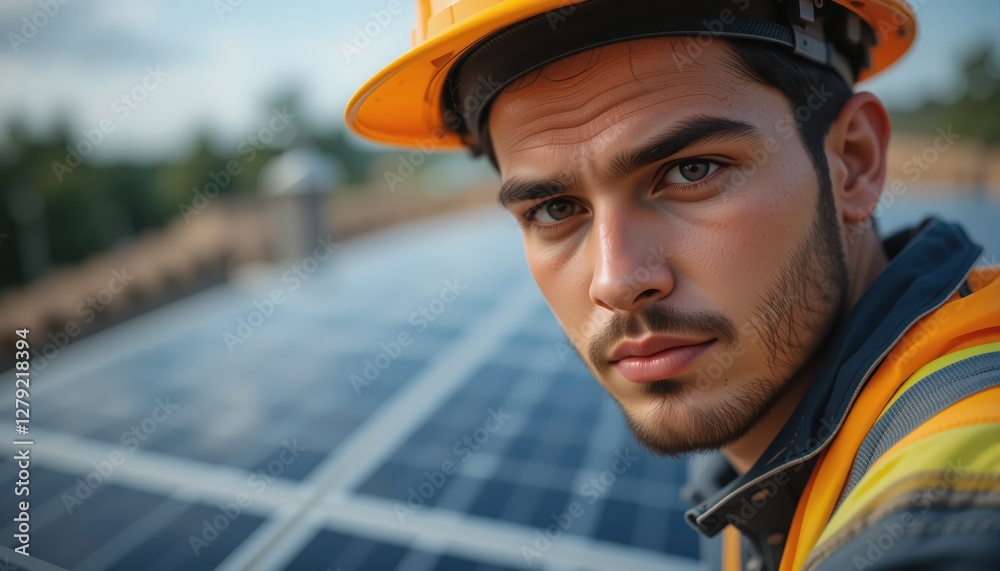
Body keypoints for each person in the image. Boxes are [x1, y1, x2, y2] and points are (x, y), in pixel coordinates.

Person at [345, 1, 1000, 569]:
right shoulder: (775, 457)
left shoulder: (957, 500)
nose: (617, 280)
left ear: (853, 163)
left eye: (691, 170)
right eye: (553, 209)